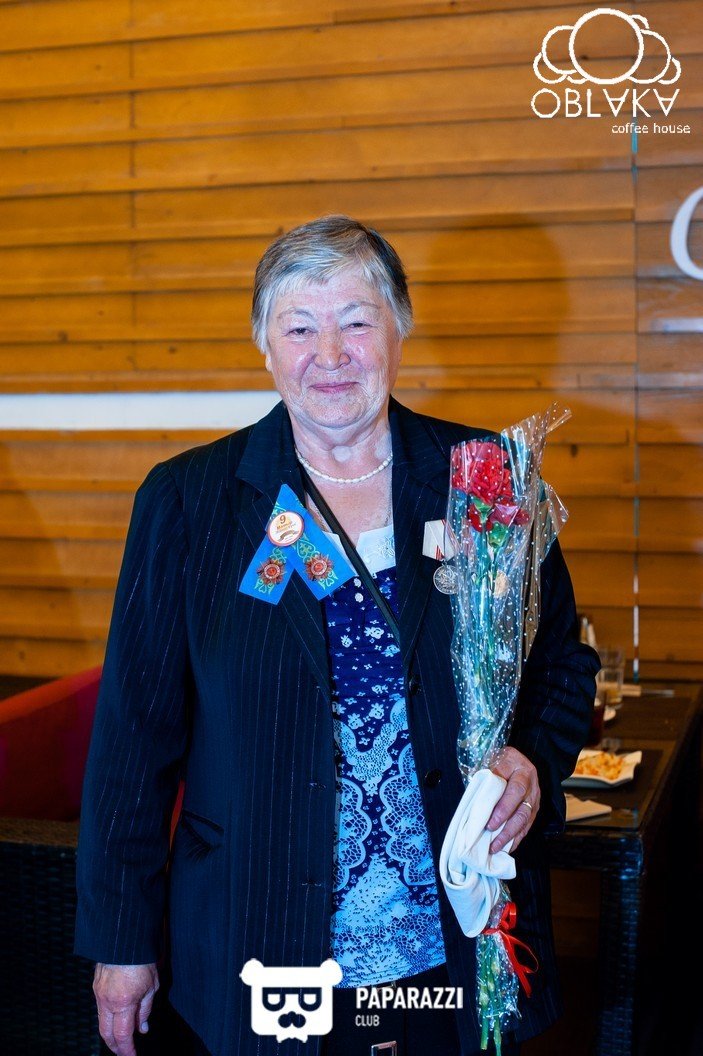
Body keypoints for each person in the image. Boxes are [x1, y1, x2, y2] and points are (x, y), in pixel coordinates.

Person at [74, 215, 600, 1056]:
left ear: (398, 326)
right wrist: (120, 939)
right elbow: (133, 738)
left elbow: (563, 667)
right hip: (261, 939)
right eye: (298, 328)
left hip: (454, 938)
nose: (330, 354)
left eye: (356, 321)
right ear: (263, 344)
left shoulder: (485, 479)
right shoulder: (188, 501)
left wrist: (529, 756)